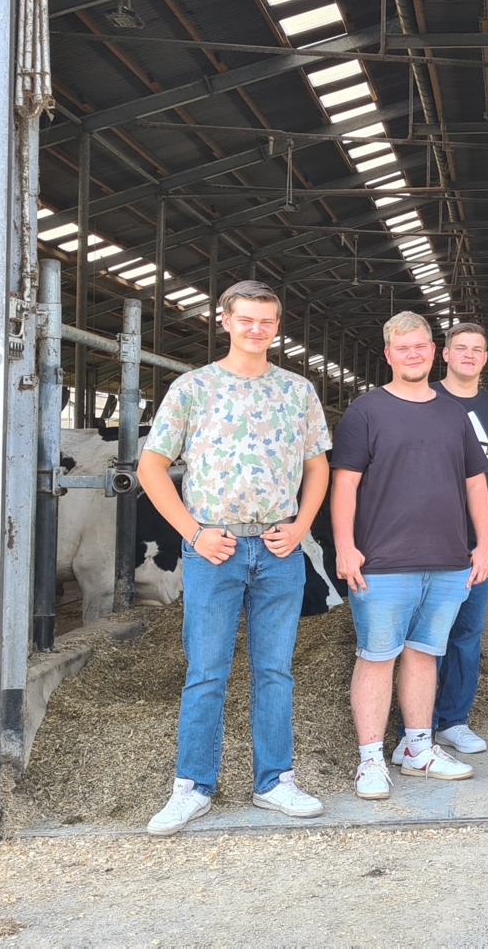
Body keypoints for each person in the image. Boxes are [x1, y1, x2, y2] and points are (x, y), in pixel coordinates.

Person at [136, 280, 332, 835]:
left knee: (275, 670)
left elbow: (318, 466)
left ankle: (275, 781)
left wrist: (300, 526)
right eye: (245, 319)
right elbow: (152, 466)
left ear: (277, 326)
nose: (256, 329)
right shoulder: (193, 388)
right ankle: (191, 787)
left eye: (266, 320)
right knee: (205, 671)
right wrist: (193, 534)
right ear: (224, 320)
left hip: (277, 547)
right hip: (214, 549)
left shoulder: (297, 391)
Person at [331, 312, 488, 800]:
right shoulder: (367, 411)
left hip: (448, 560)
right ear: (389, 354)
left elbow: (476, 483)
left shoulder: (453, 413)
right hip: (382, 561)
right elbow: (345, 483)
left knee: (425, 654)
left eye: (421, 346)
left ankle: (416, 747)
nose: (414, 354)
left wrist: (483, 544)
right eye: (403, 348)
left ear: (434, 350)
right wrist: (345, 545)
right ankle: (369, 760)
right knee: (378, 657)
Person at [429, 322, 488, 755]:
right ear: (444, 354)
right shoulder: (426, 399)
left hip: (479, 542)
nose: (468, 355)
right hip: (430, 539)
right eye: (459, 348)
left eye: (476, 349)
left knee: (467, 632)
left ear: (484, 358)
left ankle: (453, 720)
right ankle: (419, 723)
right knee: (428, 633)